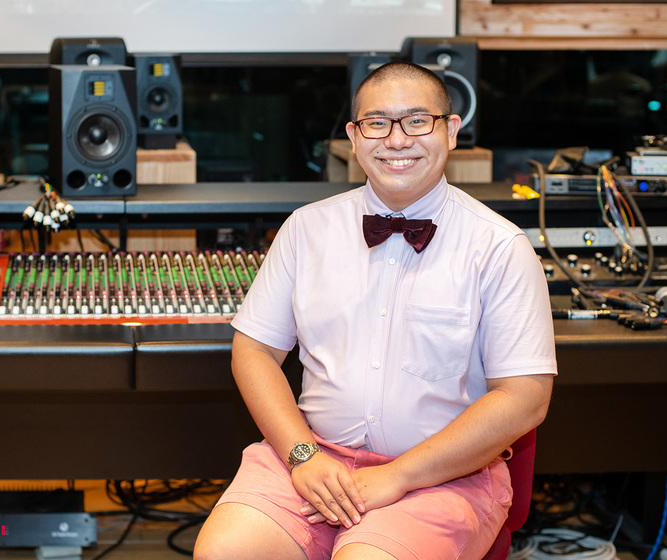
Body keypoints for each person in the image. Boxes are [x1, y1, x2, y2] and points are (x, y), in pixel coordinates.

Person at [193, 61, 557, 560]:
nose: (397, 140)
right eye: (377, 123)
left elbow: (525, 397)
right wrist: (302, 455)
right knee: (224, 552)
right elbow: (253, 350)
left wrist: (398, 476)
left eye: (417, 121)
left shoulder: (500, 247)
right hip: (313, 459)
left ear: (451, 131)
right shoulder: (305, 229)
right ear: (353, 137)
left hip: (444, 477)